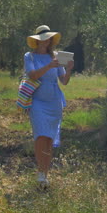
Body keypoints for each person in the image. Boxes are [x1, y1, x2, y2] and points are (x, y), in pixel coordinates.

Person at [24, 25, 74, 189]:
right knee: (40, 136)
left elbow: (64, 81)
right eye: (44, 38)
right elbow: (32, 75)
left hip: (54, 102)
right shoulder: (30, 56)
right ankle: (40, 173)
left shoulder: (56, 57)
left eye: (49, 38)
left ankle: (45, 176)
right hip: (38, 101)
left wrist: (68, 69)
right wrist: (49, 66)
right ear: (37, 40)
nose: (47, 40)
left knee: (49, 139)